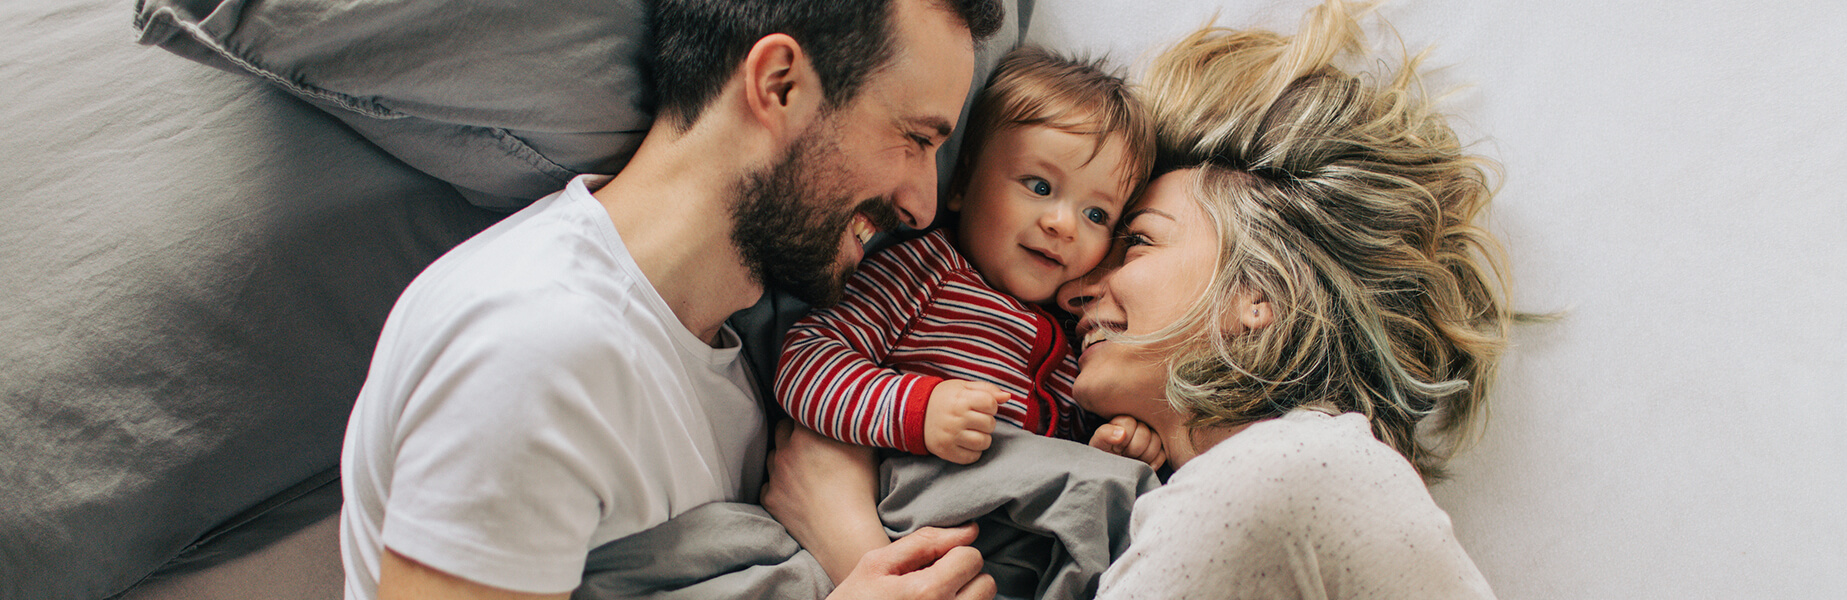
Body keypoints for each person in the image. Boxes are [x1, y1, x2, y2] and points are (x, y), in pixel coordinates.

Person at [765, 0, 1515, 597]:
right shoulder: (1234, 489)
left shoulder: (1282, 473)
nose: (1083, 279)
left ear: (1258, 295)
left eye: (1135, 239)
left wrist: (848, 545)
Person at [336, 1, 1007, 599]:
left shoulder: (732, 344)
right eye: (916, 140)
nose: (922, 205)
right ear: (780, 85)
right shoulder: (531, 350)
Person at [775, 46, 1162, 477]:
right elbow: (805, 360)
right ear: (960, 183)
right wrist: (919, 411)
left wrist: (1115, 443)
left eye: (1096, 215)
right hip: (908, 500)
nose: (1063, 225)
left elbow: (1070, 449)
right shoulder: (922, 273)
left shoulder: (1080, 329)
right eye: (1038, 186)